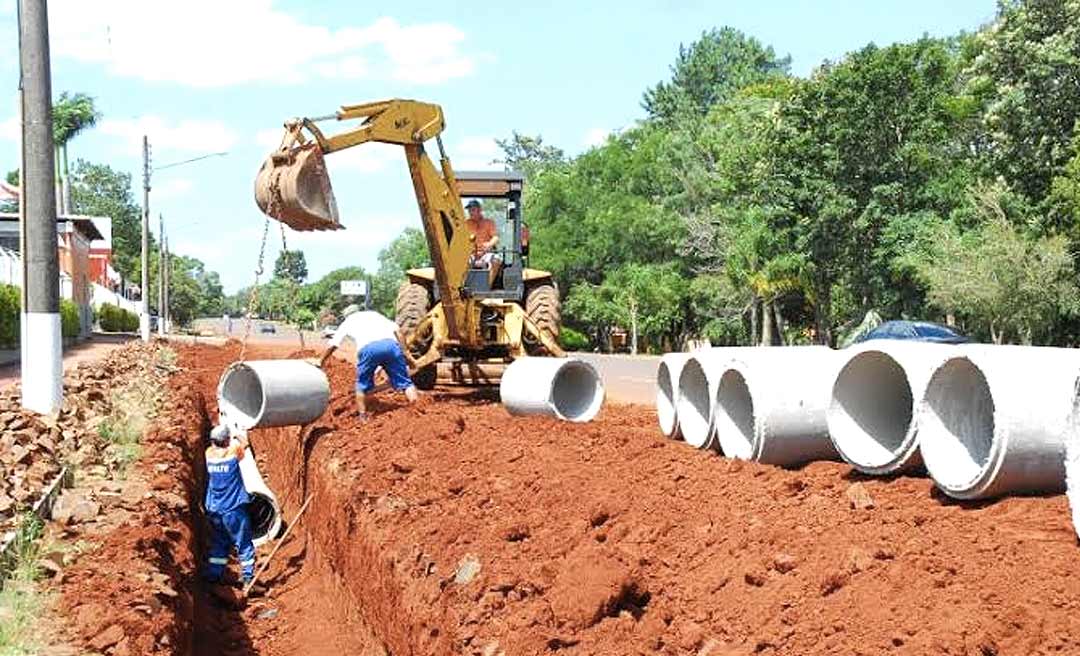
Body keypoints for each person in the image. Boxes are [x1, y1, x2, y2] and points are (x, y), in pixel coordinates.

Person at [318, 305, 419, 419]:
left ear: (347, 315)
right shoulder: (374, 314)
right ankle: (417, 409)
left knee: (361, 387)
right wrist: (406, 353)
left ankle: (363, 417)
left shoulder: (349, 321)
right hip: (391, 346)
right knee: (406, 383)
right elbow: (398, 331)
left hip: (368, 350)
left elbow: (334, 344)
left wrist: (321, 361)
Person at [203, 423, 256, 586]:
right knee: (244, 542)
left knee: (220, 542)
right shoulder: (233, 454)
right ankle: (248, 577)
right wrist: (237, 434)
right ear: (226, 440)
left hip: (214, 509)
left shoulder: (209, 454)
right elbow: (245, 445)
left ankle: (214, 575)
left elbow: (218, 446)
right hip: (233, 508)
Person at [464, 199, 499, 269]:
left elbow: (495, 238)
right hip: (471, 254)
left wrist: (489, 244)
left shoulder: (489, 223)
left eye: (473, 210)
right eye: (469, 210)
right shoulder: (465, 224)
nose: (470, 212)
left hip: (486, 254)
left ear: (479, 210)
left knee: (495, 259)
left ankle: (488, 278)